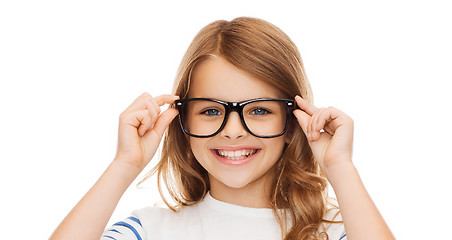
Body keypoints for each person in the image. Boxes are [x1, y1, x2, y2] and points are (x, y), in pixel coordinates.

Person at [50, 17, 394, 240]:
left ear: (293, 121)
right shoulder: (149, 231)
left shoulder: (340, 231)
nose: (232, 131)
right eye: (212, 110)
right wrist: (123, 165)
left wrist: (341, 169)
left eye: (258, 109)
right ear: (182, 121)